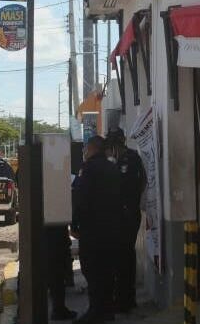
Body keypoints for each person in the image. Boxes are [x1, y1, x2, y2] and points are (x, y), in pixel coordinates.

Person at [72, 136, 121, 324]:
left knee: (92, 270)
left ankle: (96, 311)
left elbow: (80, 198)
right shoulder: (112, 167)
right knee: (108, 270)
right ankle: (107, 311)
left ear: (92, 148)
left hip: (92, 229)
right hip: (112, 227)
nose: (84, 151)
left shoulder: (88, 168)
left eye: (85, 148)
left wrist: (75, 224)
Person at [106, 129, 146, 314]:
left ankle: (124, 300)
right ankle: (127, 298)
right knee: (125, 257)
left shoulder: (129, 160)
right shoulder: (129, 158)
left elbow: (134, 184)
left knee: (123, 259)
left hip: (126, 215)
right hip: (127, 214)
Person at [46, 225, 78, 320]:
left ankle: (58, 309)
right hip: (55, 237)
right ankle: (58, 310)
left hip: (51, 235)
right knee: (56, 275)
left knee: (55, 275)